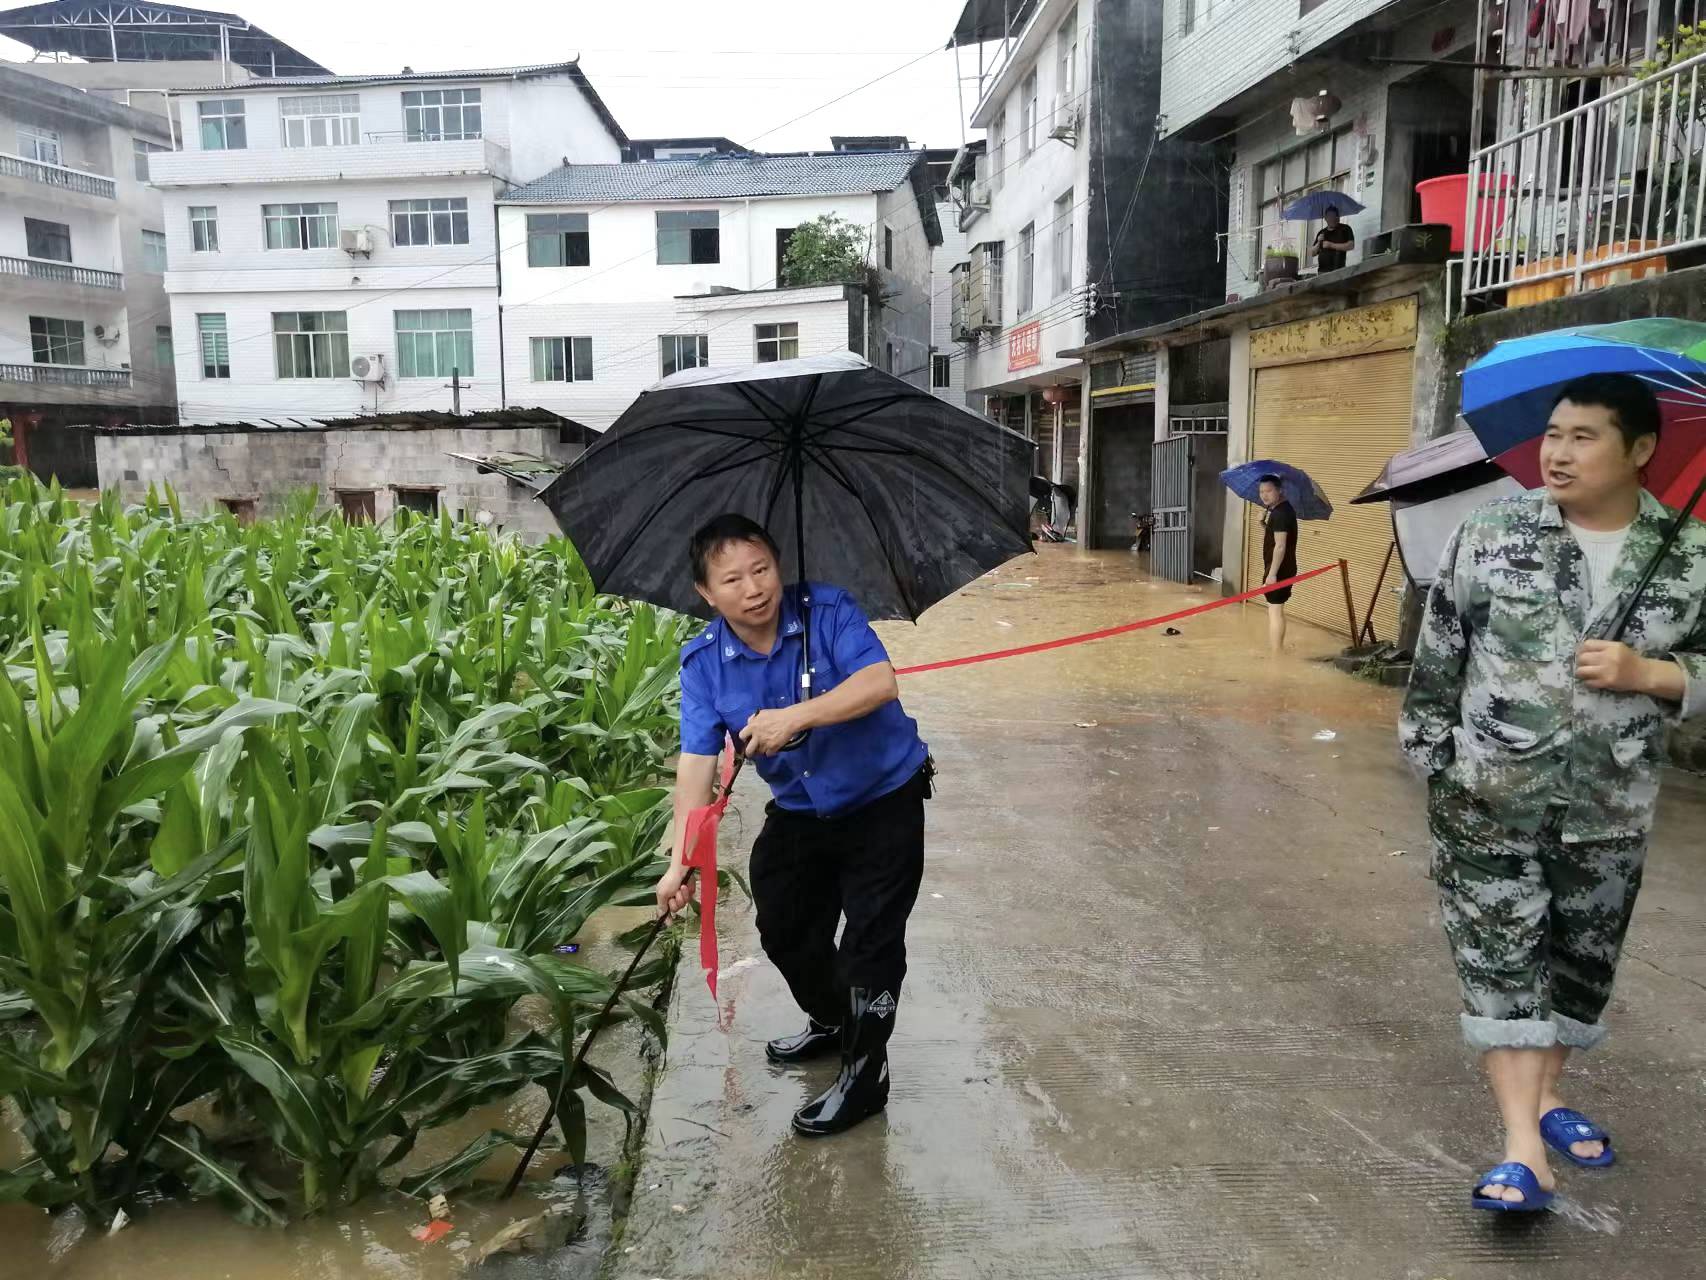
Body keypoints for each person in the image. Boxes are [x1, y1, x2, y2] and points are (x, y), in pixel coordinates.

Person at [1401, 373, 1706, 1211]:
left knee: (1576, 973)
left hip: (1610, 810)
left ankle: (1547, 1095)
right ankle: (1523, 1150)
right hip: (1486, 800)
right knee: (1502, 970)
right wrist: (1437, 762)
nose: (1558, 453)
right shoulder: (1492, 531)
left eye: (1584, 437)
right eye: (1554, 433)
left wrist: (1658, 674)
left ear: (1642, 450)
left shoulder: (1692, 555)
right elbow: (1440, 656)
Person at [655, 513, 933, 1137]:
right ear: (706, 593)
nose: (754, 589)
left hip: (883, 797)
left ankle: (866, 1074)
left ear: (779, 566)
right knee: (782, 925)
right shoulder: (703, 664)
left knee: (871, 940)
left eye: (762, 569)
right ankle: (838, 1022)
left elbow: (879, 683)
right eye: (733, 579)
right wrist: (679, 861)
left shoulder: (828, 612)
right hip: (803, 811)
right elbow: (698, 763)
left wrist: (794, 717)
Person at [1258, 475, 1298, 654]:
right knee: (1277, 610)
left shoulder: (1280, 514)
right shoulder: (1281, 510)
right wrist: (1262, 522)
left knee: (1274, 611)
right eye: (1261, 491)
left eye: (1269, 491)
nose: (1264, 495)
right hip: (1281, 567)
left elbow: (1280, 545)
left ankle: (1276, 654)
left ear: (1279, 490)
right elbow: (1275, 538)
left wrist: (1272, 574)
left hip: (1279, 569)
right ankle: (1278, 649)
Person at [1311, 206, 1355, 272]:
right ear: (1325, 218)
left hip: (1339, 271)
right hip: (1322, 272)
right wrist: (1318, 242)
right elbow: (1313, 253)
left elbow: (1351, 245)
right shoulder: (1321, 232)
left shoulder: (1345, 229)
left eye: (1334, 216)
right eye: (1330, 216)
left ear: (1338, 218)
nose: (1332, 219)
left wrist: (1331, 245)